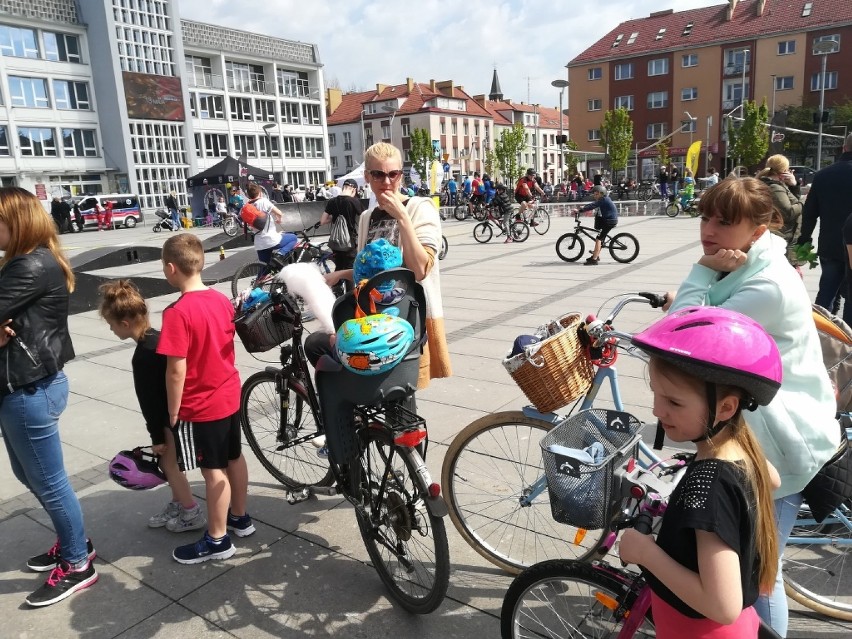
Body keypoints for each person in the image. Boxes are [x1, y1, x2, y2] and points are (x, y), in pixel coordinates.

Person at [665, 177, 838, 637]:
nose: (710, 228)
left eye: (725, 221)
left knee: (760, 576)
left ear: (757, 230)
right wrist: (703, 288)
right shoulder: (747, 263)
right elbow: (711, 311)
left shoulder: (767, 284)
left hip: (780, 442)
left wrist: (700, 275)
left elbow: (684, 338)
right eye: (705, 216)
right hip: (758, 429)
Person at [619, 306, 782, 638]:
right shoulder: (743, 452)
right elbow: (773, 478)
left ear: (725, 407)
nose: (656, 410)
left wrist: (644, 551)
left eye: (674, 403)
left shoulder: (707, 484)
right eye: (656, 394)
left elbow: (722, 605)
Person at [0, 186, 97, 606]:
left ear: (16, 222)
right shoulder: (31, 261)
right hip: (26, 384)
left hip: (29, 388)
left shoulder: (29, 266)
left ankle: (78, 564)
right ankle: (74, 540)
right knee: (32, 477)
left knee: (49, 483)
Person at [323, 142, 451, 390]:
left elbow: (420, 269)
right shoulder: (365, 218)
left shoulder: (420, 208)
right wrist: (339, 274)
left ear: (401, 175)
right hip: (370, 322)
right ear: (367, 177)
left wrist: (402, 218)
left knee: (401, 395)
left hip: (407, 321)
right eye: (378, 174)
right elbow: (371, 275)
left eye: (394, 173)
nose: (387, 181)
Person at [157, 234, 253, 564]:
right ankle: (239, 517)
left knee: (213, 472)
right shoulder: (220, 301)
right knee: (234, 457)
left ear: (171, 269)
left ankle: (217, 539)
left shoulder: (177, 313)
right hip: (229, 394)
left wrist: (172, 411)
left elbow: (175, 371)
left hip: (201, 405)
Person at [97, 279, 205, 532]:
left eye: (112, 325)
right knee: (174, 465)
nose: (112, 331)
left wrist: (156, 437)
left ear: (124, 323)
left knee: (169, 466)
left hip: (168, 420)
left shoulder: (143, 355)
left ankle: (191, 511)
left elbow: (149, 402)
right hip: (181, 413)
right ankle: (178, 502)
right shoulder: (159, 338)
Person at [797, 133, 852, 321]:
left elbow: (809, 212)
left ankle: (820, 333)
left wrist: (804, 240)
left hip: (830, 245)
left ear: (844, 148)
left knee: (826, 292)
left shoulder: (822, 175)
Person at [757, 155, 803, 269]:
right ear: (784, 171)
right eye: (788, 169)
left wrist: (794, 185)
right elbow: (789, 213)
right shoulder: (775, 187)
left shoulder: (777, 185)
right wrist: (803, 203)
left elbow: (792, 201)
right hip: (782, 236)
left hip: (781, 236)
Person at [320, 178, 362, 292]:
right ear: (353, 189)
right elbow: (364, 217)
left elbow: (323, 221)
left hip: (336, 242)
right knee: (350, 269)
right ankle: (351, 299)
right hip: (350, 242)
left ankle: (335, 292)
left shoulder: (332, 201)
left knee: (339, 267)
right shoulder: (353, 201)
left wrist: (335, 217)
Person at [243, 182, 297, 265]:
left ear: (248, 195)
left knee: (264, 267)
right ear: (260, 193)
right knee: (293, 238)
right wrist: (279, 219)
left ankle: (260, 278)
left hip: (259, 243)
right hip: (271, 240)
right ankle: (280, 255)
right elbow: (279, 213)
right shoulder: (264, 201)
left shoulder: (247, 207)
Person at [574, 184, 617, 265]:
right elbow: (592, 204)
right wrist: (584, 207)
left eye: (597, 194)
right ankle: (596, 255)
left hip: (609, 221)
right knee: (601, 237)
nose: (595, 195)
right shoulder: (604, 199)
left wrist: (580, 210)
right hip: (609, 220)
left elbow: (593, 205)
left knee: (598, 239)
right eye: (594, 194)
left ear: (602, 193)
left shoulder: (603, 200)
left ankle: (594, 260)